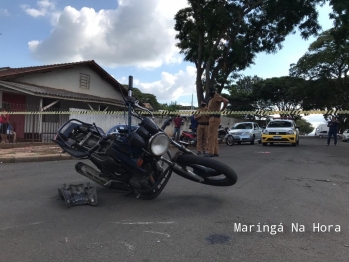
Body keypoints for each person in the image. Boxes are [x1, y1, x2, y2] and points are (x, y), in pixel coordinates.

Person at [205, 88, 228, 157]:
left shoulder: (216, 96)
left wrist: (222, 110)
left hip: (214, 118)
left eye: (212, 91)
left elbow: (226, 101)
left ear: (215, 91)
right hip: (213, 118)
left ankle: (210, 152)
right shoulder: (211, 99)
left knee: (211, 135)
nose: (210, 92)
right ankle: (215, 152)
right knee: (214, 136)